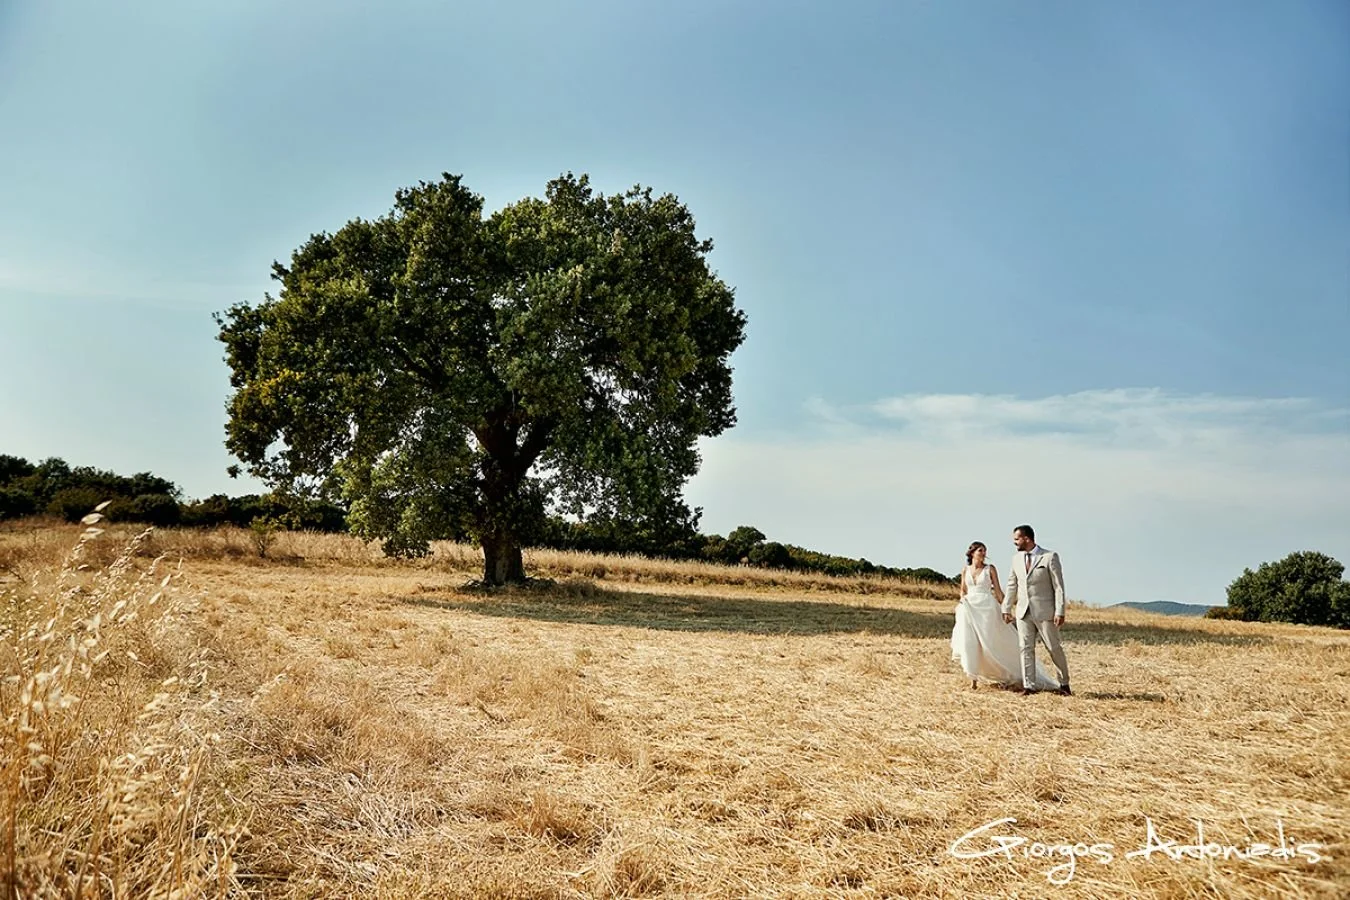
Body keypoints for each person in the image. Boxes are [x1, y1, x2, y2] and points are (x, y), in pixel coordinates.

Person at [951, 541, 1056, 690]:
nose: (983, 553)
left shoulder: (990, 569)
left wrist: (1006, 609)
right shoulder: (965, 570)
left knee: (989, 641)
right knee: (970, 642)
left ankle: (1008, 671)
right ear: (972, 552)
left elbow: (999, 592)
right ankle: (973, 679)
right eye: (980, 550)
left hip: (986, 608)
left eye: (984, 551)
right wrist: (962, 600)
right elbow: (963, 590)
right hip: (968, 609)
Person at [1001, 524, 1071, 696]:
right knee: (1025, 648)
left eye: (1016, 539)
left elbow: (1059, 587)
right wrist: (1006, 607)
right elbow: (1012, 585)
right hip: (1023, 612)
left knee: (1053, 648)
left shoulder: (1049, 557)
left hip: (1045, 612)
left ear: (1027, 538)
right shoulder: (1015, 559)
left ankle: (1064, 684)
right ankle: (1029, 686)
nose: (1014, 543)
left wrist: (1060, 611)